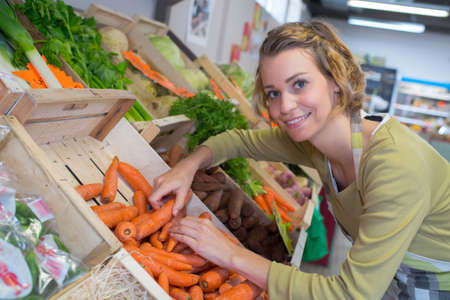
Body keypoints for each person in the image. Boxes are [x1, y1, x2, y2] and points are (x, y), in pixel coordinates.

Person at [148, 21, 450, 299]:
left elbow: (350, 294)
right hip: (394, 271)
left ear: (336, 80)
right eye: (273, 93)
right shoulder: (318, 140)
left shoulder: (395, 167)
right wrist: (186, 167)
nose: (285, 106)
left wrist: (230, 254)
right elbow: (236, 141)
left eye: (300, 84)